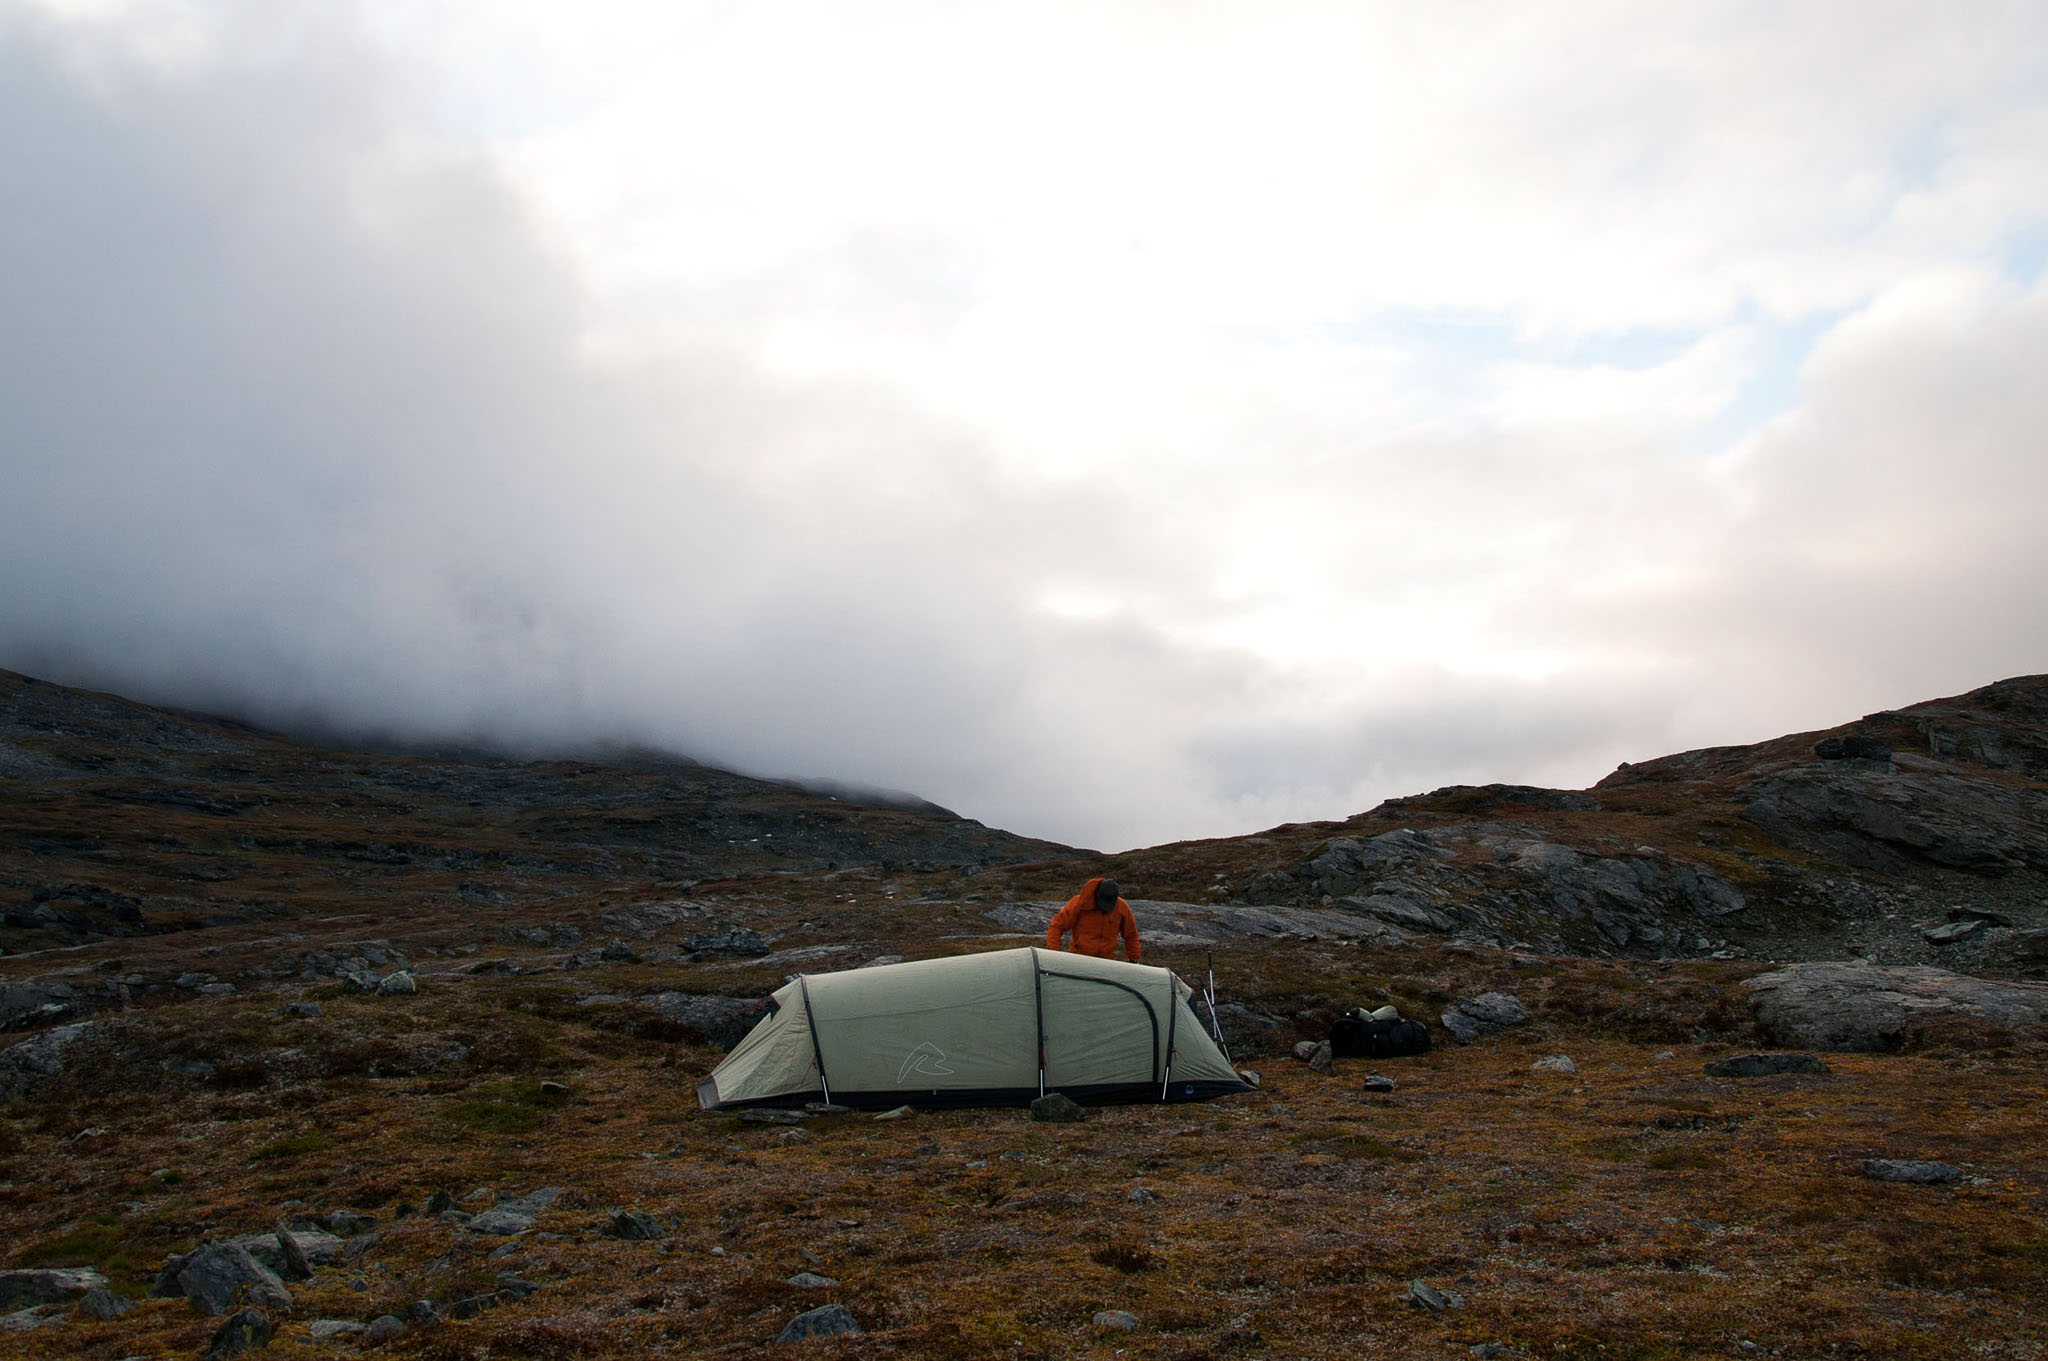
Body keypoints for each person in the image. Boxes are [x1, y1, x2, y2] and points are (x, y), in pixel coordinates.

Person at [1045, 876, 1141, 963]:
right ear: (1097, 894)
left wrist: (1134, 959)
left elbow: (1131, 935)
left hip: (1106, 962)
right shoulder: (1079, 904)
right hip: (1078, 959)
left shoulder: (1122, 907)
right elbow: (1057, 926)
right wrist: (1054, 955)